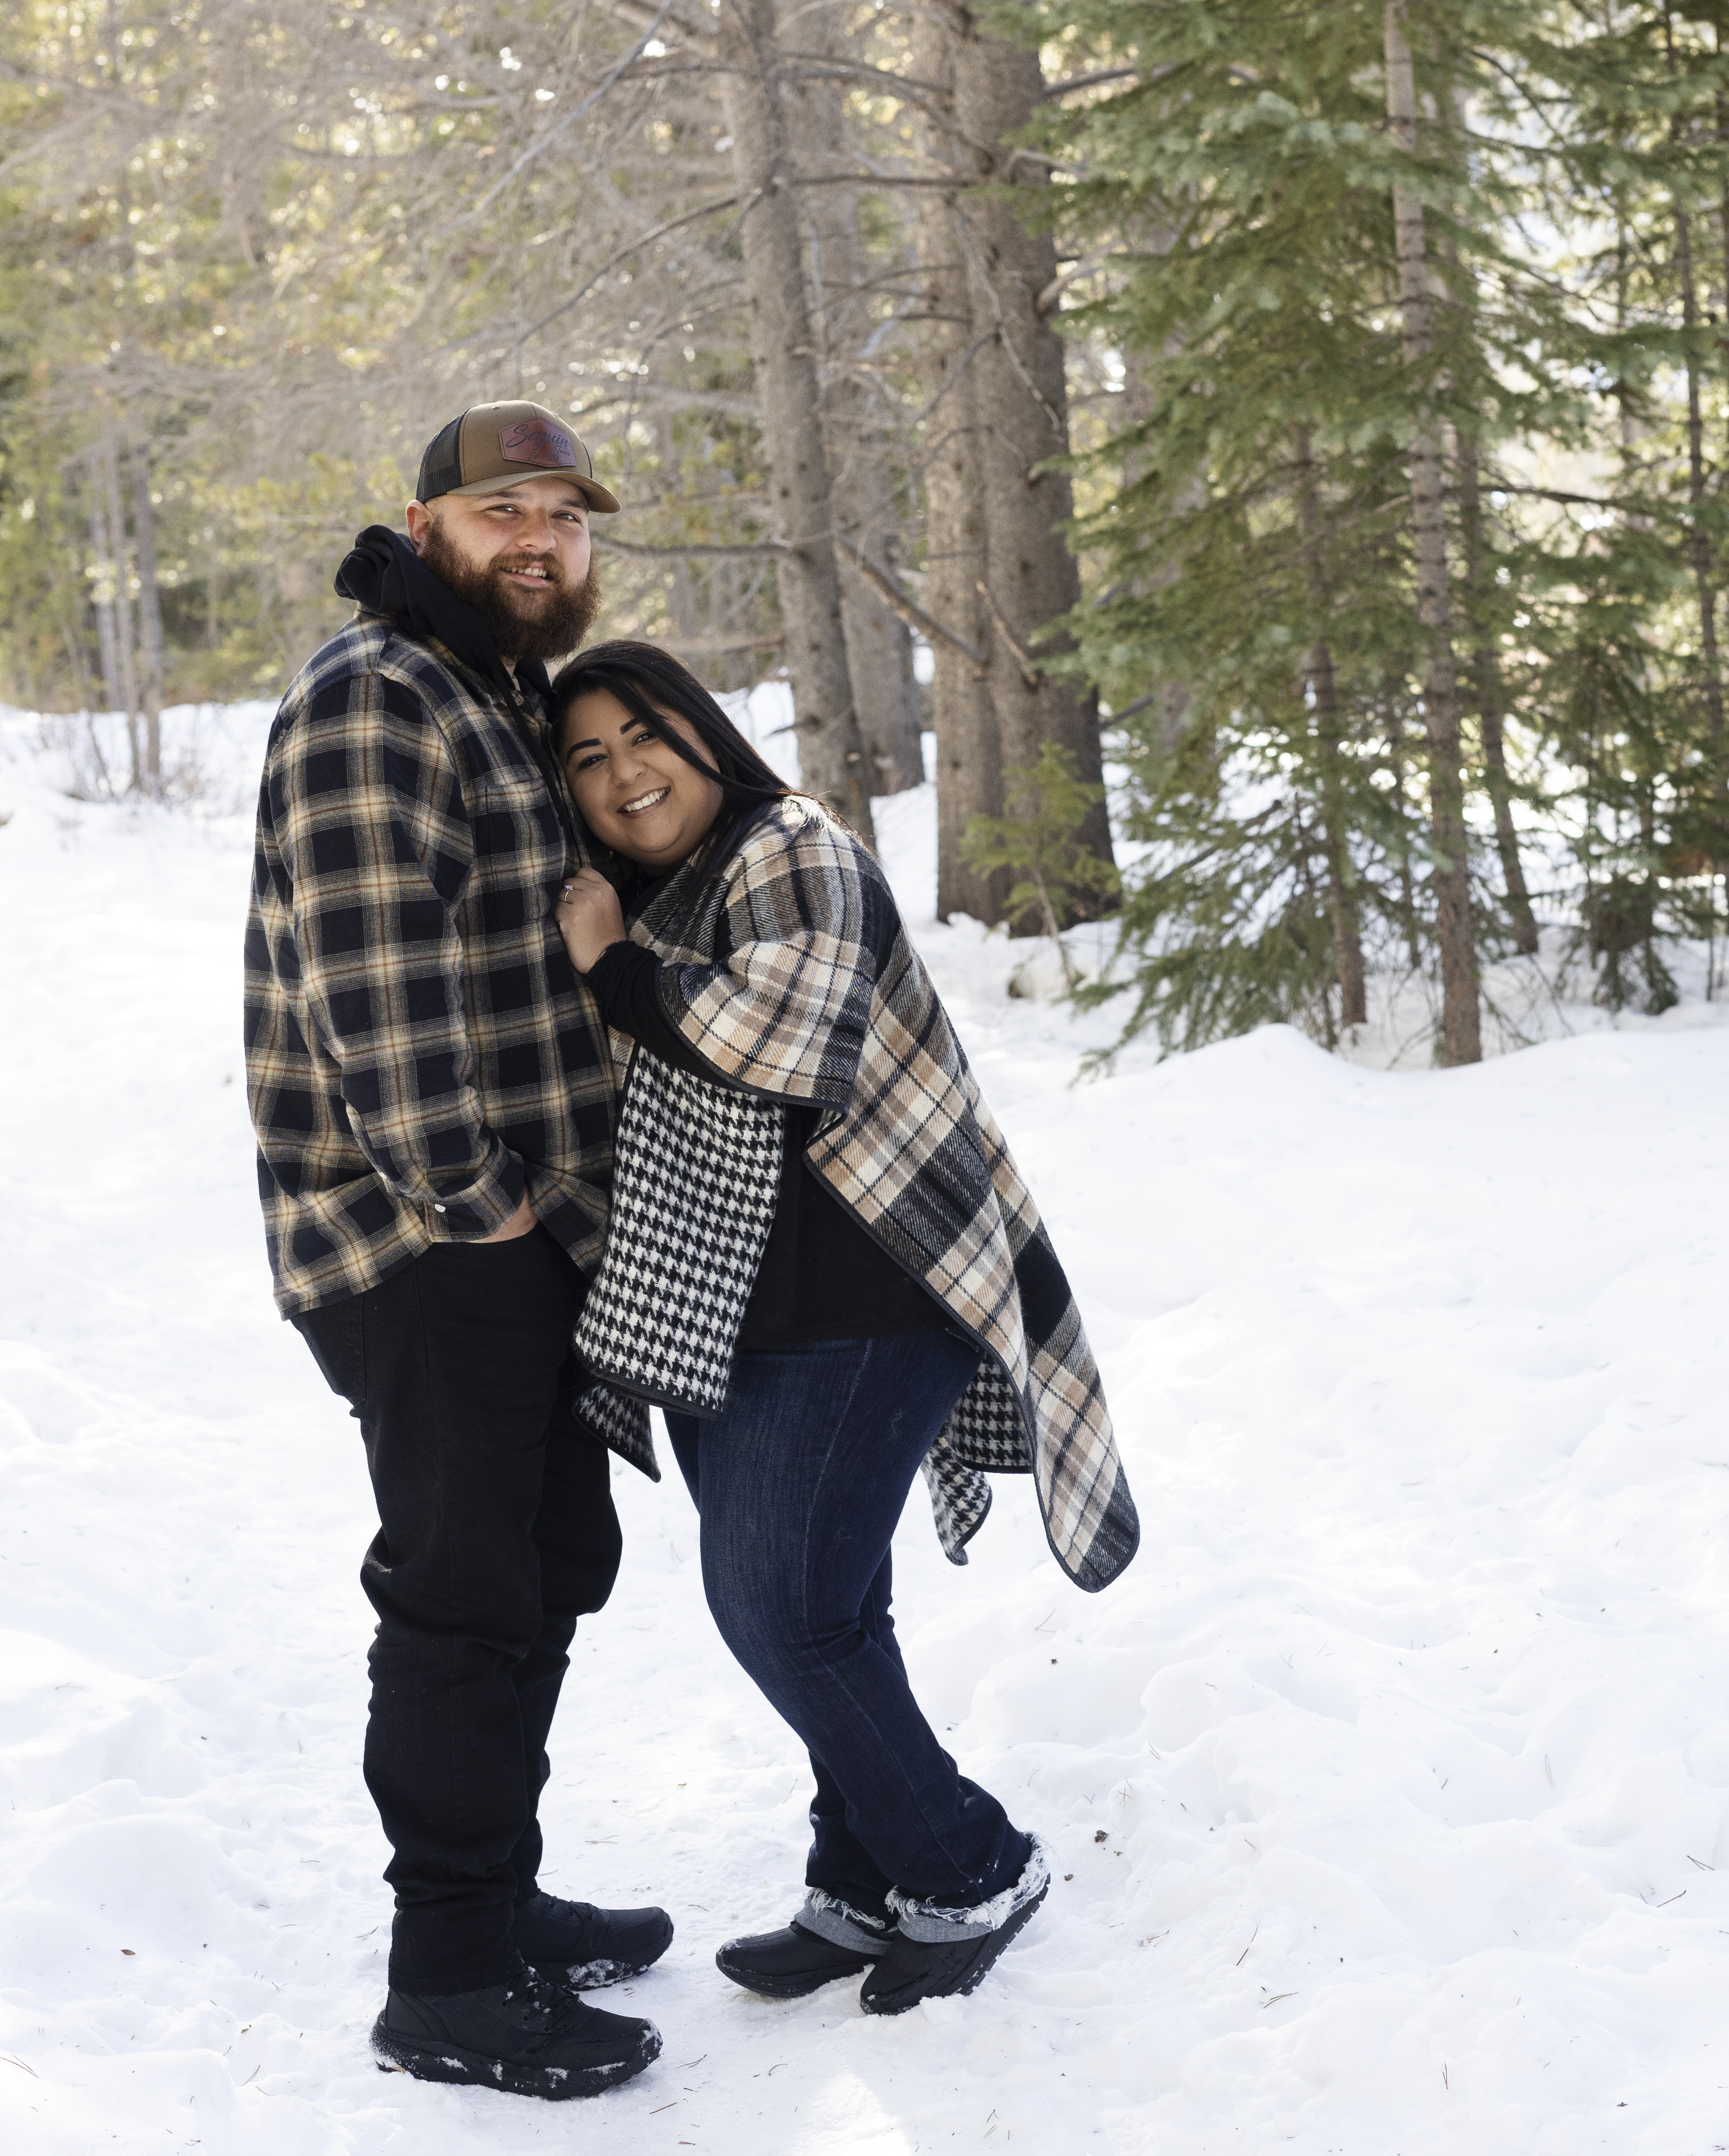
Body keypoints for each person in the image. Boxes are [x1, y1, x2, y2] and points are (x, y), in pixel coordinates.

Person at [543, 640, 1140, 2016]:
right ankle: (863, 1874)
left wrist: (614, 968)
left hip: (873, 1298)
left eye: (646, 734)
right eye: (588, 757)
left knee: (781, 1607)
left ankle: (972, 1860)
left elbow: (785, 1034)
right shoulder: (652, 892)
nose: (626, 772)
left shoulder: (790, 845)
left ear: (703, 733)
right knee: (832, 1605)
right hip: (728, 1315)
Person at [242, 403, 667, 2100]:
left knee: (547, 1564)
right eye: (505, 511)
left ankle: (502, 1900)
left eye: (564, 515)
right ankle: (447, 1978)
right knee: (464, 1595)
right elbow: (375, 985)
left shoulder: (487, 690)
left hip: (515, 1227)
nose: (541, 541)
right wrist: (478, 1202)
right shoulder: (377, 696)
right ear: (424, 528)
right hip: (426, 1238)